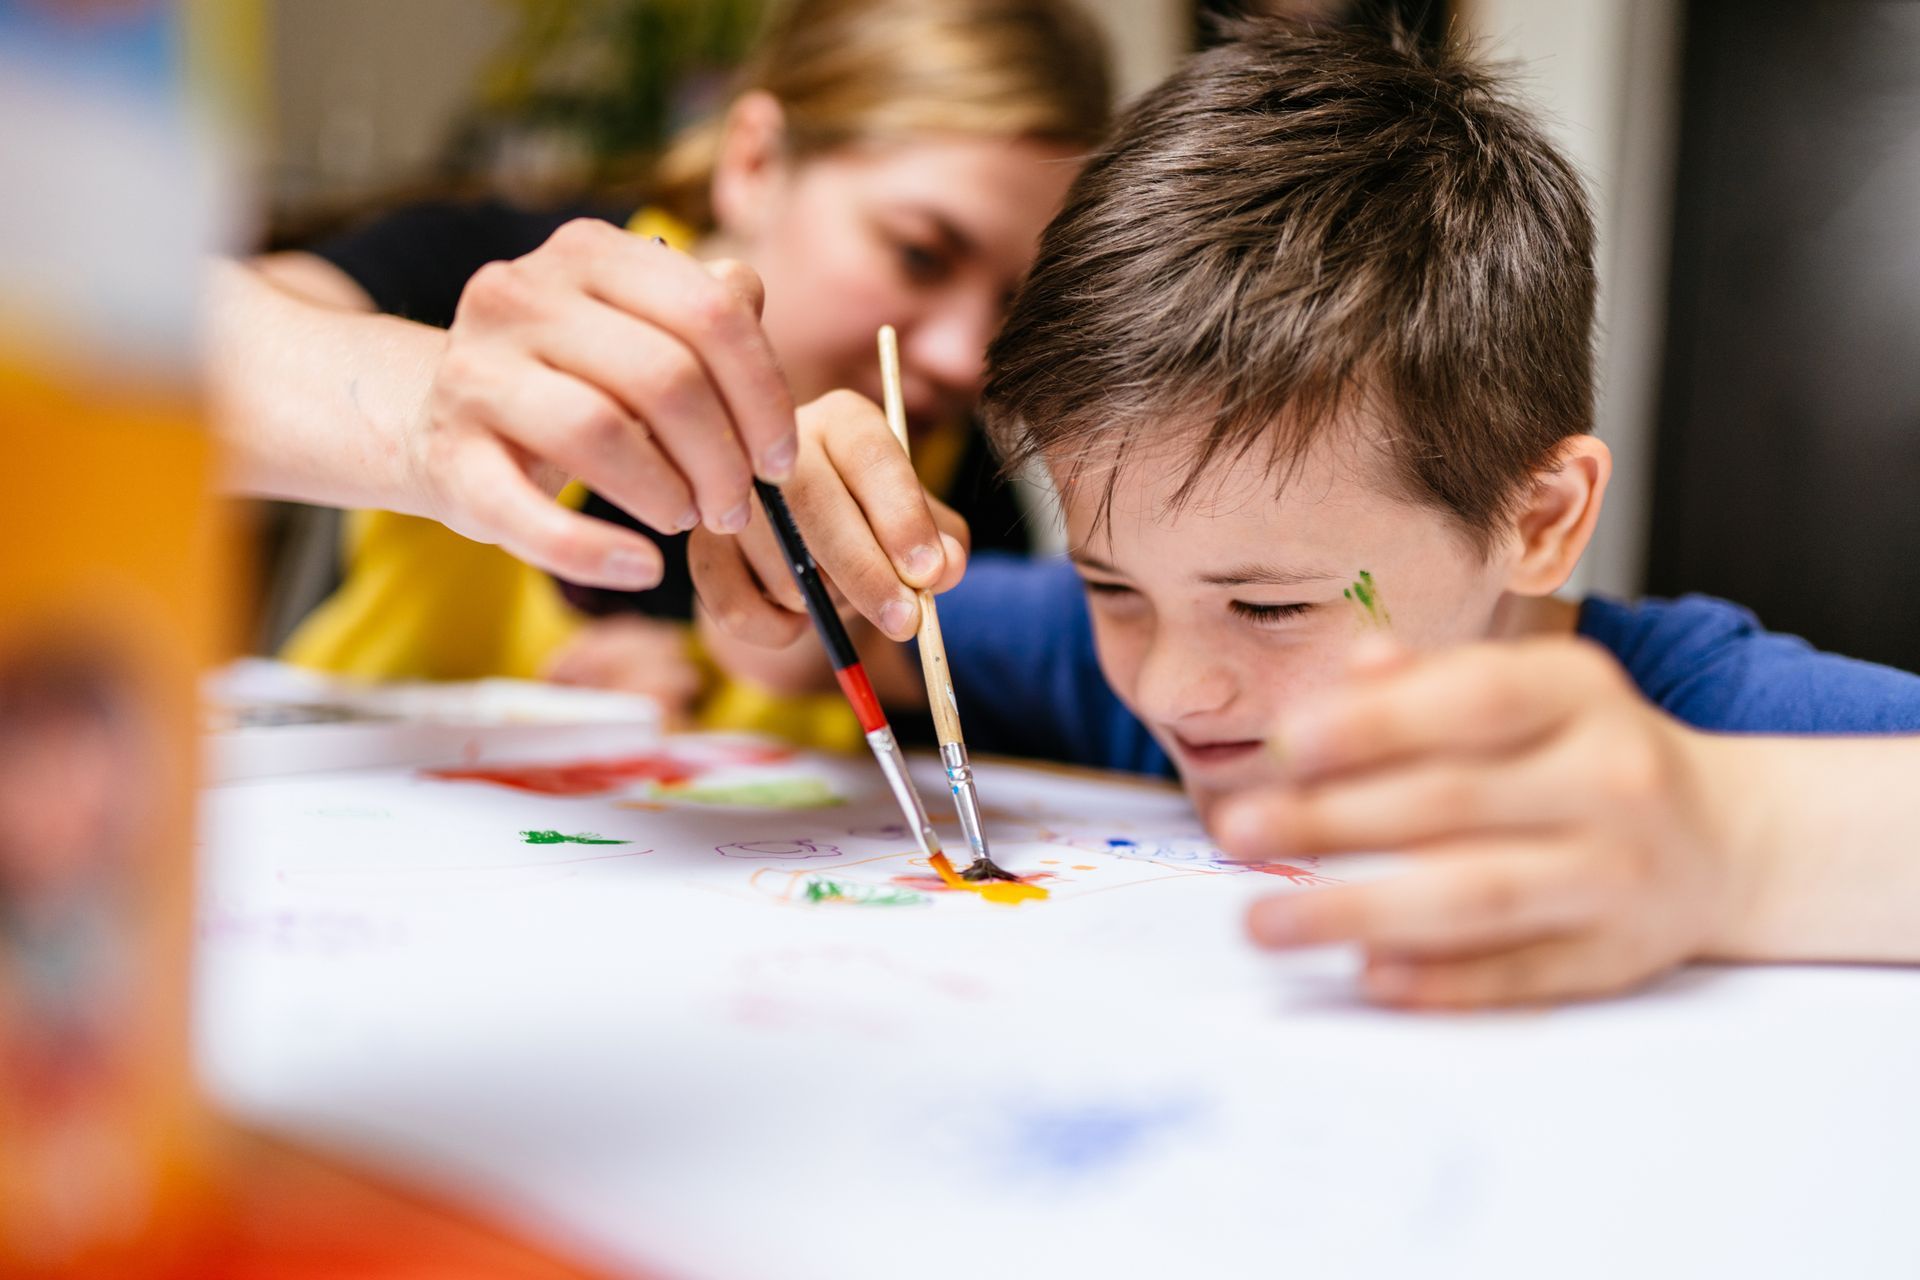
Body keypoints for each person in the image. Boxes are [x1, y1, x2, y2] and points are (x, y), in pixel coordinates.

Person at [687, 20, 1920, 1008]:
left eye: (1271, 603)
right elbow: (846, 643)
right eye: (1111, 583)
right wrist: (790, 528)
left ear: (1540, 518)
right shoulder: (1099, 656)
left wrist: (1736, 837)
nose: (1173, 688)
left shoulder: (1715, 723)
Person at [213, 0, 1110, 743]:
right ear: (755, 162)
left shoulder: (950, 493)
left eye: (1010, 304)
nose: (964, 357)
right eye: (919, 254)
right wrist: (436, 400)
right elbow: (163, 345)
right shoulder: (501, 275)